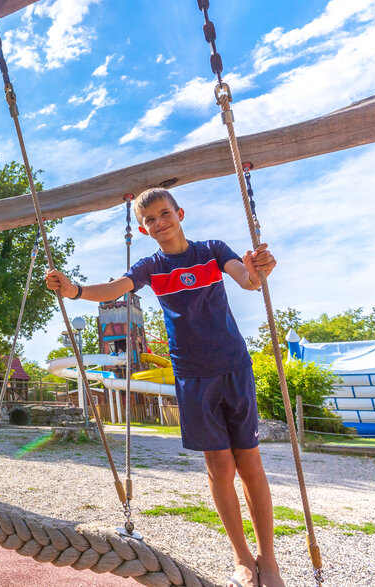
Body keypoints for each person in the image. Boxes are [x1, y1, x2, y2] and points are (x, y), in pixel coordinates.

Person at [46, 188, 282, 587]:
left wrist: (259, 270)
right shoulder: (152, 265)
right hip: (192, 374)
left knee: (250, 464)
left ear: (180, 213)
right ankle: (242, 557)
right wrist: (76, 291)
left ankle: (269, 560)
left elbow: (247, 280)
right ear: (143, 228)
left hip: (233, 367)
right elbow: (116, 288)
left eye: (164, 213)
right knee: (220, 467)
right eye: (151, 219)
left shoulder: (211, 250)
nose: (160, 222)